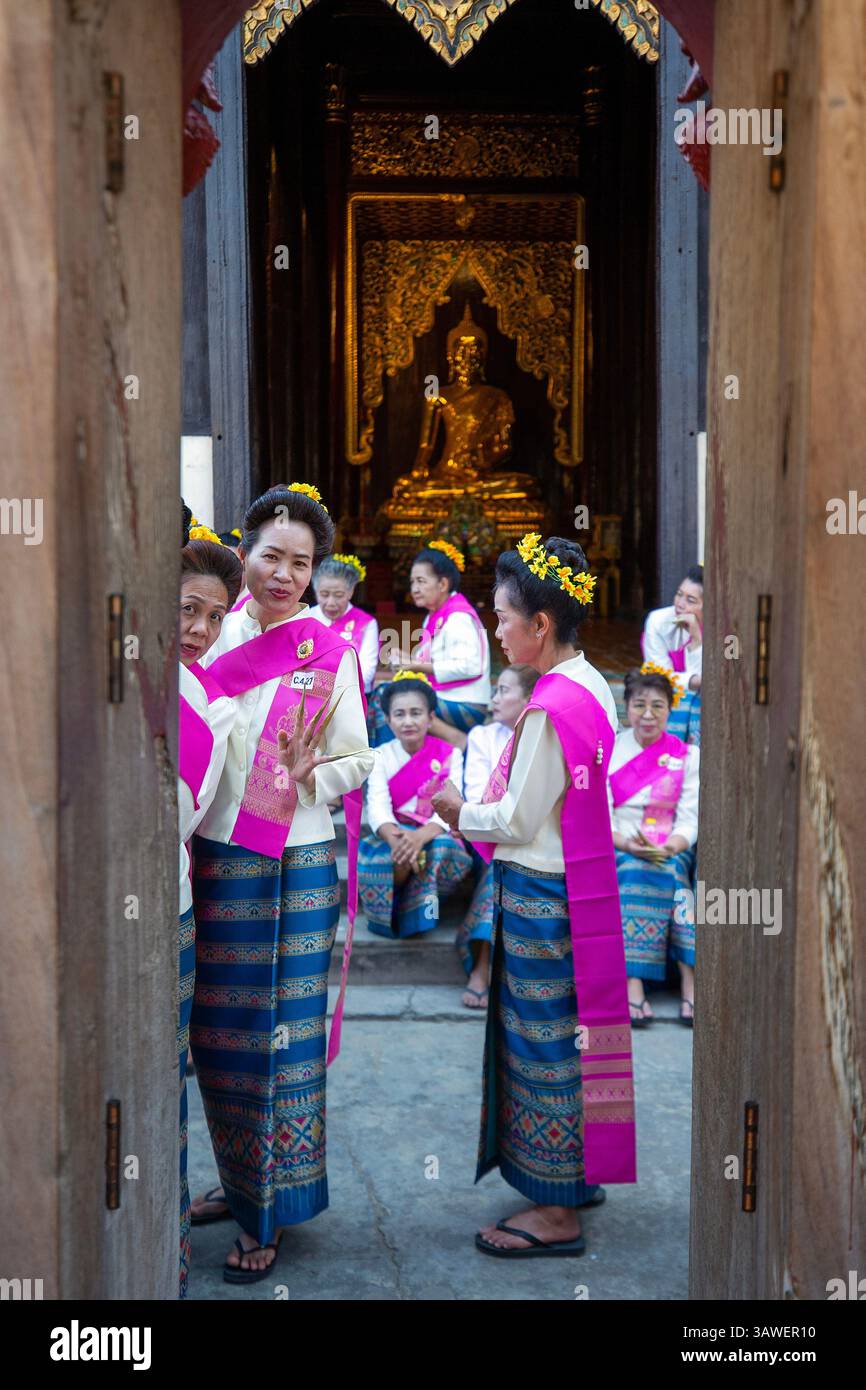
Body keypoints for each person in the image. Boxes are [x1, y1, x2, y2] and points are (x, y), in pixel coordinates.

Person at [187, 483, 374, 1283]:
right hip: (216, 861)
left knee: (279, 1044)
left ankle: (270, 1210)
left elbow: (360, 759)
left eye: (301, 562)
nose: (285, 574)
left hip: (293, 862)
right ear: (246, 552)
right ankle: (239, 1182)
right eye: (271, 556)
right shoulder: (212, 630)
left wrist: (314, 775)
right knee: (219, 1038)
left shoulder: (329, 650)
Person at [432, 534, 636, 1257]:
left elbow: (517, 817)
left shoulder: (551, 707)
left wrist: (458, 813)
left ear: (540, 626)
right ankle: (575, 1176)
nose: (496, 629)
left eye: (503, 617)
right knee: (572, 1032)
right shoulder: (590, 685)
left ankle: (555, 1212)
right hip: (576, 885)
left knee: (541, 1041)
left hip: (541, 893)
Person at [177, 534, 242, 1296]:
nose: (198, 629)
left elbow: (194, 812)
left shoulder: (213, 706)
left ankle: (166, 1260)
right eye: (188, 608)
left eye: (214, 616)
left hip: (175, 904)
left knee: (166, 1077)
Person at [608, 664, 699, 1028]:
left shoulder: (687, 756)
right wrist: (628, 845)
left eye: (658, 706)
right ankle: (633, 982)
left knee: (673, 873)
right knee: (633, 870)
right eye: (639, 705)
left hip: (671, 848)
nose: (648, 715)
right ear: (626, 708)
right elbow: (600, 814)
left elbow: (690, 817)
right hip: (619, 847)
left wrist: (672, 847)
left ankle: (691, 982)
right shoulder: (610, 750)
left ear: (670, 709)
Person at [359, 673, 472, 938]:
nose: (408, 721)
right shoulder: (379, 756)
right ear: (387, 720)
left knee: (443, 850)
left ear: (431, 717)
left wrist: (420, 836)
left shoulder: (451, 755)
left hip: (433, 834)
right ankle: (404, 914)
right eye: (399, 714)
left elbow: (454, 808)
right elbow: (377, 807)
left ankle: (420, 912)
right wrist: (397, 838)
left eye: (416, 713)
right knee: (386, 858)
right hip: (395, 833)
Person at [456, 664, 539, 1010]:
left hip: (529, 833)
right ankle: (483, 964)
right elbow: (476, 796)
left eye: (504, 690)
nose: (494, 698)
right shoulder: (482, 737)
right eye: (495, 689)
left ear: (528, 698)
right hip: (488, 833)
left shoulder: (541, 737)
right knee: (501, 863)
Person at [369, 539, 490, 748]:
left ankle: (391, 766)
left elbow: (470, 666)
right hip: (449, 697)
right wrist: (406, 659)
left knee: (387, 697)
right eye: (412, 582)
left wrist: (414, 665)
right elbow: (434, 662)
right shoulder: (436, 615)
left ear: (442, 584)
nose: (414, 588)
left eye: (421, 581)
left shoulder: (458, 617)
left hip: (466, 703)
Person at [642, 564, 703, 745]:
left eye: (690, 600)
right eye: (679, 594)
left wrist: (696, 639)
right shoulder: (658, 621)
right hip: (665, 695)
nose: (680, 603)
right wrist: (693, 682)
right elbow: (659, 677)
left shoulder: (721, 630)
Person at [308, 553, 380, 692]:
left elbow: (366, 671)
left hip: (352, 697)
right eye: (324, 594)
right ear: (315, 591)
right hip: (309, 697)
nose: (331, 602)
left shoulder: (366, 623)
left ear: (351, 592)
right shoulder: (307, 618)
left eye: (338, 595)